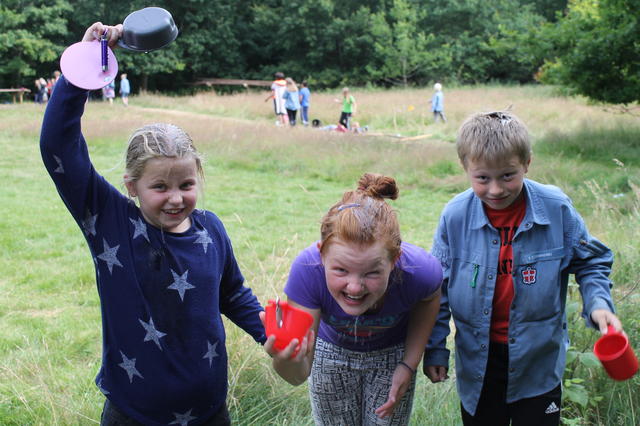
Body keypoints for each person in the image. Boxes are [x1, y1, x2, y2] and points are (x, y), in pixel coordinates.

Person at [40, 22, 266, 425]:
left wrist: (270, 334)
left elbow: (232, 293)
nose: (176, 198)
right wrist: (85, 66)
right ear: (132, 186)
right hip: (133, 414)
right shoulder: (110, 222)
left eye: (186, 184)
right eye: (159, 186)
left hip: (210, 412)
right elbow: (58, 146)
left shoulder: (210, 230)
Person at [423, 110, 622, 426]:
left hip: (538, 363)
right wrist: (435, 349)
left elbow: (591, 261)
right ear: (466, 168)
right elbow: (438, 287)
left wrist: (599, 305)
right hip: (479, 363)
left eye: (507, 175)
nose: (496, 189)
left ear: (527, 163)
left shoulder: (556, 208)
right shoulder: (455, 216)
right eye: (482, 178)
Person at [262, 173, 443, 425]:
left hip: (390, 352)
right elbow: (297, 376)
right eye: (341, 270)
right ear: (322, 254)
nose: (355, 288)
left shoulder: (420, 272)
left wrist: (408, 364)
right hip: (330, 349)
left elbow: (430, 299)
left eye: (372, 273)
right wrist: (284, 360)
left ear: (395, 259)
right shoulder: (307, 271)